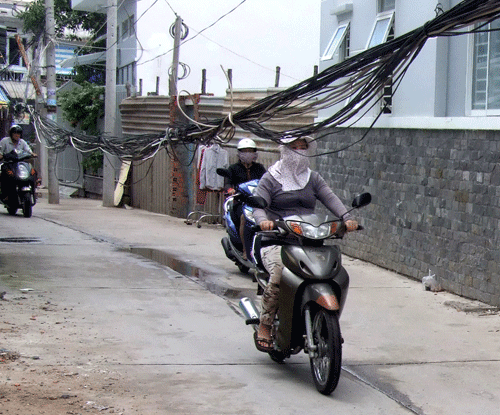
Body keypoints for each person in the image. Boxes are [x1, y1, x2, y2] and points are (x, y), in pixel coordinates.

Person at [252, 136, 358, 352]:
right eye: (294, 147)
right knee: (278, 276)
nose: (299, 151)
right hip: (277, 240)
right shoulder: (271, 178)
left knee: (335, 273)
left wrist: (346, 217)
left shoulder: (313, 178)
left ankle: (327, 324)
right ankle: (265, 323)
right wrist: (263, 221)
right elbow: (258, 204)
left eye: (303, 147)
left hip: (309, 241)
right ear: (284, 150)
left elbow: (330, 198)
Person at [224, 138, 266, 260]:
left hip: (256, 202)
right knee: (244, 218)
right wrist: (231, 191)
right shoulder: (233, 168)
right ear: (239, 153)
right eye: (245, 151)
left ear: (255, 153)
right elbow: (227, 184)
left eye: (250, 151)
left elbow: (266, 182)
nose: (248, 153)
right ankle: (245, 249)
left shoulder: (260, 168)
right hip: (240, 202)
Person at [0, 125, 37, 200]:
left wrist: (33, 154)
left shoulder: (22, 142)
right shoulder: (4, 141)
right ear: (11, 134)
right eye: (15, 133)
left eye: (19, 133)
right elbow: (0, 152)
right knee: (3, 173)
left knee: (33, 172)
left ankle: (33, 190)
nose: (17, 135)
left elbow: (28, 150)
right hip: (8, 164)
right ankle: (5, 193)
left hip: (20, 164)